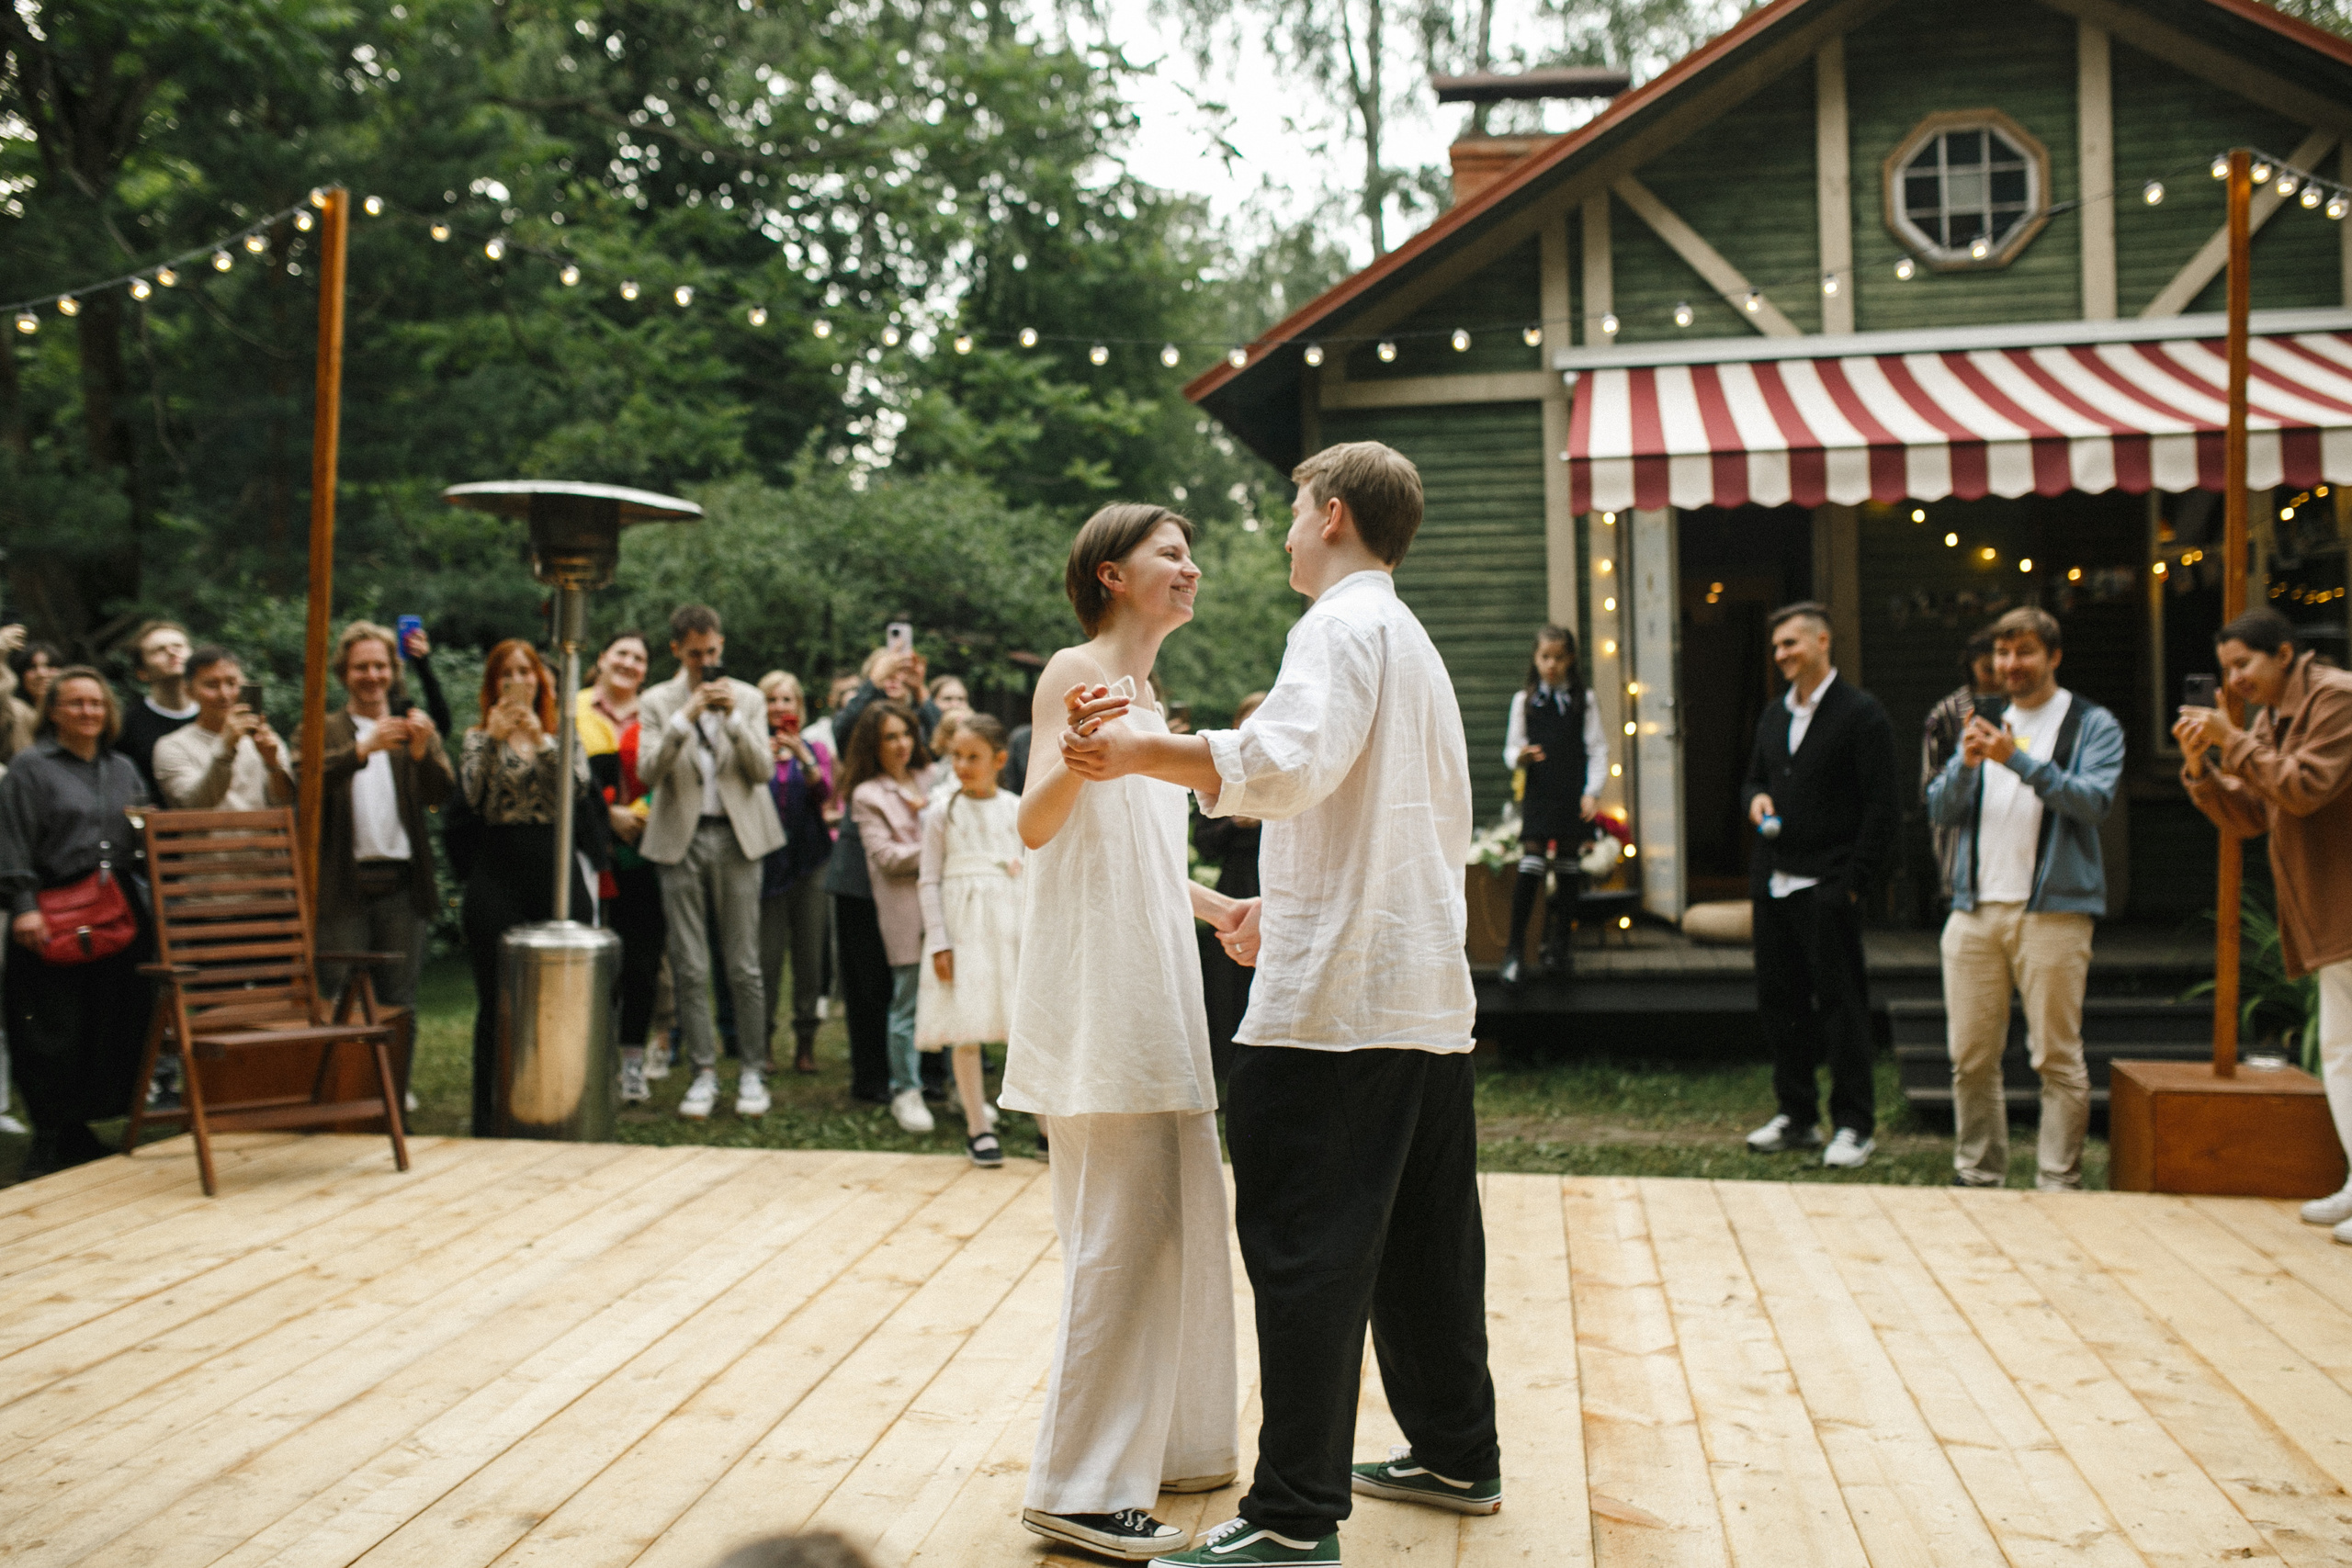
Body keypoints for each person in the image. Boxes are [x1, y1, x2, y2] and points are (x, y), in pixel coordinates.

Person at [1060, 450, 1498, 1567]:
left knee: (1306, 1248)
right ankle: (1457, 1451)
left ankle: (1294, 1517)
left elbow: (1287, 763)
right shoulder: (1410, 641)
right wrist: (1271, 907)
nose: (1285, 536)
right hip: (1418, 992)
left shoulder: (1339, 629)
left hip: (1339, 1007)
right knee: (1422, 1242)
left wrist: (1143, 750)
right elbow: (1381, 812)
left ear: (1334, 514)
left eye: (1296, 514)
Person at [1007, 502, 1248, 1563]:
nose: (1189, 569)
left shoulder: (1149, 697)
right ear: (1112, 574)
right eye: (1170, 554)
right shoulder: (1077, 669)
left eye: (1189, 555)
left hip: (1155, 989)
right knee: (1121, 1231)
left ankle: (1168, 1450)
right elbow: (1036, 824)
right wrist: (1070, 754)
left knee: (1179, 1216)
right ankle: (1077, 1485)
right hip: (1102, 995)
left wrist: (1220, 910)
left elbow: (1138, 854)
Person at [1926, 607, 2120, 1190]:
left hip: (2053, 910)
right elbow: (1938, 810)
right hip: (1975, 908)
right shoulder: (1981, 719)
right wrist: (1965, 765)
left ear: (2053, 657)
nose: (2010, 665)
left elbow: (2093, 801)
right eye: (2002, 655)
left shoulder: (2092, 723)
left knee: (2056, 1057)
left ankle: (2058, 1181)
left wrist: (2019, 760)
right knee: (1970, 1057)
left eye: (2024, 653)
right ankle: (1978, 1174)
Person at [2177, 607, 2352, 1242]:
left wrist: (2234, 740)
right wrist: (2201, 766)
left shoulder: (2336, 699)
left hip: (2345, 901)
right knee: (2340, 1047)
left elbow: (2305, 787)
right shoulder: (2273, 718)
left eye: (2244, 664)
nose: (2235, 680)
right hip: (2326, 908)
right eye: (2227, 669)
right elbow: (2253, 813)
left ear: (2284, 653)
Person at [1741, 602, 1901, 1170]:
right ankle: (1797, 1116)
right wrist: (1755, 800)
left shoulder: (1861, 715)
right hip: (1775, 883)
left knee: (1841, 1007)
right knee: (1780, 1002)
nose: (1781, 654)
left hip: (1828, 884)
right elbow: (1756, 779)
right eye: (1777, 646)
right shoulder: (1772, 717)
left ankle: (1855, 1125)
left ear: (1823, 641)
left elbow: (1883, 808)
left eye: (1791, 643)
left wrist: (1852, 884)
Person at [0, 669, 153, 1177]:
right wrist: (23, 905)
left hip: (115, 912)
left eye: (96, 703)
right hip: (49, 911)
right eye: (75, 704)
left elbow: (145, 833)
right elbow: (13, 838)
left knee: (107, 1019)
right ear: (53, 711)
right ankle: (51, 1134)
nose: (88, 712)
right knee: (49, 1027)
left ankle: (82, 1128)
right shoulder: (31, 767)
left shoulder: (124, 768)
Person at [638, 604, 784, 1120]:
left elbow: (763, 770)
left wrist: (736, 721)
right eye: (696, 654)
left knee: (744, 965)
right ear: (677, 650)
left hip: (739, 838)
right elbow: (647, 772)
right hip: (681, 838)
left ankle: (751, 1069)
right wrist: (687, 717)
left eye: (713, 653)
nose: (706, 663)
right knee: (690, 964)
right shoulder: (657, 701)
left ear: (722, 646)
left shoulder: (747, 696)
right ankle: (702, 1072)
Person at [459, 638, 592, 1135]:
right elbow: (472, 797)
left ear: (540, 679)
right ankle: (490, 1115)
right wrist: (495, 742)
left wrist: (541, 741)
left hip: (553, 864)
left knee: (562, 994)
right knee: (496, 999)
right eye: (506, 672)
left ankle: (560, 1104)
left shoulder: (563, 733)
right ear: (493, 684)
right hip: (498, 866)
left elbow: (575, 792)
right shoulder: (476, 738)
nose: (518, 679)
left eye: (527, 670)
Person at [311, 621, 453, 1033]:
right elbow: (305, 785)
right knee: (338, 997)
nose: (372, 676)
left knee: (399, 998)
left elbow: (441, 795)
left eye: (380, 666)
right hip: (342, 884)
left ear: (393, 671)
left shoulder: (413, 727)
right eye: (361, 668)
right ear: (344, 674)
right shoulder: (323, 728)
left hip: (403, 885)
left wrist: (423, 751)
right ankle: (342, 1092)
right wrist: (362, 749)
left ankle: (394, 1090)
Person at [827, 651, 944, 1104]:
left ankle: (929, 1072)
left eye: (903, 670)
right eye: (888, 671)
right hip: (860, 875)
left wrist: (921, 693)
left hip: (918, 878)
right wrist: (872, 686)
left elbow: (938, 743)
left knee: (924, 977)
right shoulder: (864, 718)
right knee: (868, 981)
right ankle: (873, 1077)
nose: (897, 677)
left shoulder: (916, 729)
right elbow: (845, 734)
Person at [916, 714, 1021, 1166]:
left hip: (1009, 924)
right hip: (963, 927)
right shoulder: (943, 811)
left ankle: (1042, 1124)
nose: (962, 765)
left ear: (999, 759)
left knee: (1020, 1021)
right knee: (966, 1022)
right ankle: (978, 1125)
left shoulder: (1017, 808)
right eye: (956, 756)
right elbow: (927, 880)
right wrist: (940, 941)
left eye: (973, 757)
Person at [578, 631, 668, 1103]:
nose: (629, 663)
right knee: (592, 959)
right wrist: (605, 814)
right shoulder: (574, 709)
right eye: (621, 654)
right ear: (601, 659)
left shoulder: (656, 712)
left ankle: (632, 1061)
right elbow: (567, 774)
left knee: (642, 960)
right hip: (588, 852)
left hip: (646, 850)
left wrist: (641, 814)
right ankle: (588, 1057)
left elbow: (673, 775)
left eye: (639, 657)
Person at [842, 701, 936, 1132]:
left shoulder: (932, 777)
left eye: (906, 734)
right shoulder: (867, 795)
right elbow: (886, 858)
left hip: (946, 904)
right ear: (872, 746)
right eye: (890, 737)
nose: (901, 745)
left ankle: (954, 1085)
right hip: (903, 909)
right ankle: (906, 1089)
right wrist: (940, 851)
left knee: (951, 996)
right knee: (907, 1002)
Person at [1499, 625, 1605, 986]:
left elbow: (1597, 748)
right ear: (1536, 658)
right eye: (1545, 657)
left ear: (1570, 659)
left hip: (1572, 792)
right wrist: (1521, 757)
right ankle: (1515, 950)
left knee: (1568, 869)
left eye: (1559, 658)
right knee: (1531, 864)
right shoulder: (1524, 701)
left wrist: (1593, 791)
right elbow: (1511, 748)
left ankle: (1561, 947)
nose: (1551, 665)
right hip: (1540, 791)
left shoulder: (1583, 699)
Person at [758, 671, 833, 1077]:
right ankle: (763, 1042)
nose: (780, 707)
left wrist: (801, 759)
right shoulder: (753, 748)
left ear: (798, 707)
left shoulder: (815, 748)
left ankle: (806, 1043)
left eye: (787, 700)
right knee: (766, 958)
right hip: (767, 863)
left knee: (809, 956)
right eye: (772, 700)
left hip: (810, 861)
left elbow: (824, 794)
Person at [1194, 690, 1268, 1077]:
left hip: (1271, 882)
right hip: (1233, 883)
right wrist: (1235, 822)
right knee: (1226, 982)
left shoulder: (1287, 774)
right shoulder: (1220, 775)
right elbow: (1204, 843)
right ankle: (1225, 1066)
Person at [150, 646, 295, 811]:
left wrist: (273, 764)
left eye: (232, 683)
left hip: (266, 836)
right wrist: (226, 749)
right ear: (189, 691)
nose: (224, 694)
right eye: (211, 685)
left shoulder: (265, 737)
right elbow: (193, 806)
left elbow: (286, 803)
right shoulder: (172, 746)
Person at [1922, 626, 2002, 905]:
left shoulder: (2024, 706)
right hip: (1962, 841)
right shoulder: (1945, 715)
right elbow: (1931, 791)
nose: (1997, 678)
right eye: (1987, 669)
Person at [114, 620, 198, 795]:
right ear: (142, 673)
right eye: (159, 650)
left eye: (178, 646)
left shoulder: (218, 713)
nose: (172, 652)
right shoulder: (127, 725)